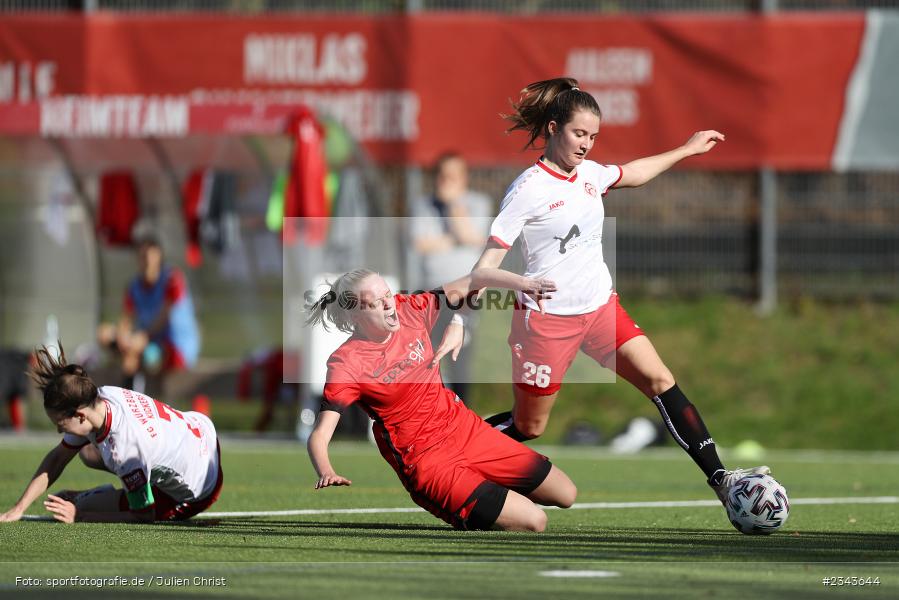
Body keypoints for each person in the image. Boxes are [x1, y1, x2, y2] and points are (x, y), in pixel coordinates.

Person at [473, 77, 769, 505]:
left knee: (659, 379)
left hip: (599, 311)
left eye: (593, 136)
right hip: (547, 324)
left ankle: (721, 480)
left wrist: (686, 150)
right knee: (530, 427)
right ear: (554, 128)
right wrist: (523, 283)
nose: (587, 144)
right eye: (579, 134)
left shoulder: (591, 174)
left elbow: (635, 173)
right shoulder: (527, 189)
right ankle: (451, 446)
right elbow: (483, 270)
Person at [305, 268, 576, 532]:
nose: (389, 304)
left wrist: (523, 284)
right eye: (376, 302)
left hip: (464, 430)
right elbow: (320, 434)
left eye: (388, 294)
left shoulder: (410, 308)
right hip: (429, 461)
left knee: (566, 494)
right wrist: (326, 470)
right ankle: (467, 502)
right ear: (355, 316)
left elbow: (477, 278)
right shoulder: (347, 363)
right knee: (535, 521)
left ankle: (488, 481)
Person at [0, 344, 222, 524]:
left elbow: (144, 516)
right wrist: (18, 508)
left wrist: (80, 515)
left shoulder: (125, 450)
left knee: (85, 504)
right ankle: (117, 489)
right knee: (86, 452)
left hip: (200, 488)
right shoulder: (102, 397)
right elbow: (58, 458)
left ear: (79, 416)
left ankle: (89, 498)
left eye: (61, 425)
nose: (59, 431)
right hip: (203, 431)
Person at [408, 152, 493, 401]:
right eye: (443, 176)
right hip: (431, 292)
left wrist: (453, 206)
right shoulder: (422, 205)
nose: (446, 181)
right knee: (427, 355)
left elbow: (472, 237)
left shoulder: (478, 203)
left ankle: (461, 410)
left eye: (452, 176)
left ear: (463, 178)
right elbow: (421, 243)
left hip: (465, 295)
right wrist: (455, 239)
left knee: (460, 353)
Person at [97, 235, 200, 389]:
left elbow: (164, 317)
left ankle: (127, 395)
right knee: (104, 333)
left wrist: (140, 338)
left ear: (159, 257)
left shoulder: (172, 280)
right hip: (147, 345)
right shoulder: (134, 286)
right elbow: (126, 319)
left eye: (150, 256)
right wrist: (122, 335)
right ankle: (126, 391)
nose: (147, 261)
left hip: (175, 349)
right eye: (142, 256)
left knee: (132, 352)